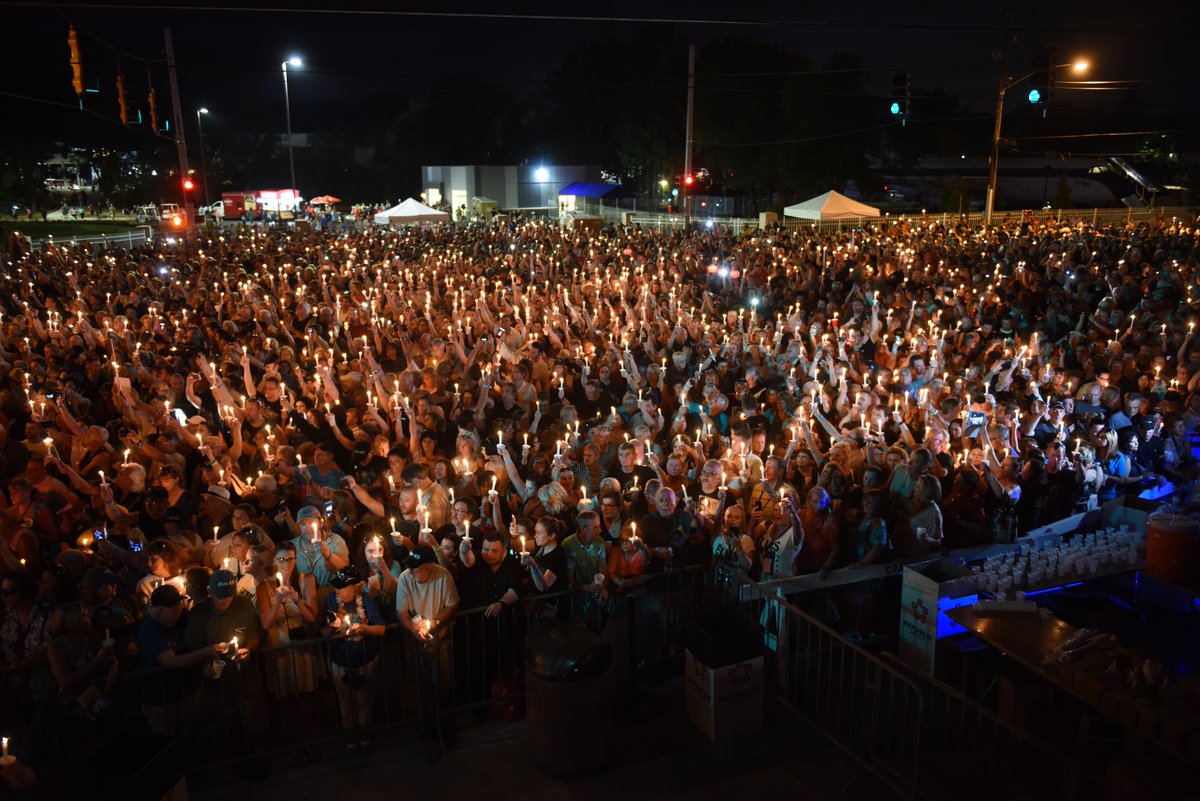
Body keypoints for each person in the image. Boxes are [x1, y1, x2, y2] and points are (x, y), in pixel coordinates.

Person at [321, 567, 386, 756]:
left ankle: (365, 738)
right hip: (339, 662)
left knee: (364, 701)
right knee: (345, 703)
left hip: (366, 661)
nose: (337, 591)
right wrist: (333, 628)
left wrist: (365, 630)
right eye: (336, 587)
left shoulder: (366, 601)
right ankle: (350, 737)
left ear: (356, 588)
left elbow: (381, 629)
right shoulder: (332, 601)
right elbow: (323, 633)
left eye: (341, 587)